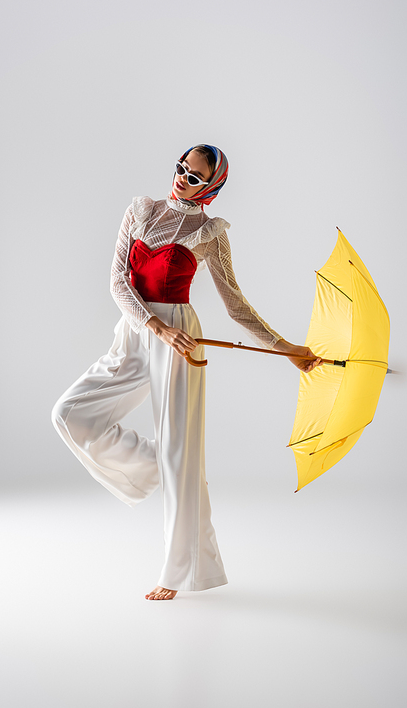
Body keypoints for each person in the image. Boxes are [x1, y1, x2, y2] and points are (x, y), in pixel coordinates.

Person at [51, 144, 321, 601]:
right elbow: (118, 280)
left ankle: (176, 573)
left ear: (212, 186)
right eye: (181, 168)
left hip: (180, 337)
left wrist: (286, 347)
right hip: (138, 331)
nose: (182, 178)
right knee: (69, 413)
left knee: (179, 443)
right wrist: (152, 325)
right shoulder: (142, 209)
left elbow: (235, 305)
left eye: (195, 177)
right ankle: (168, 467)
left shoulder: (210, 233)